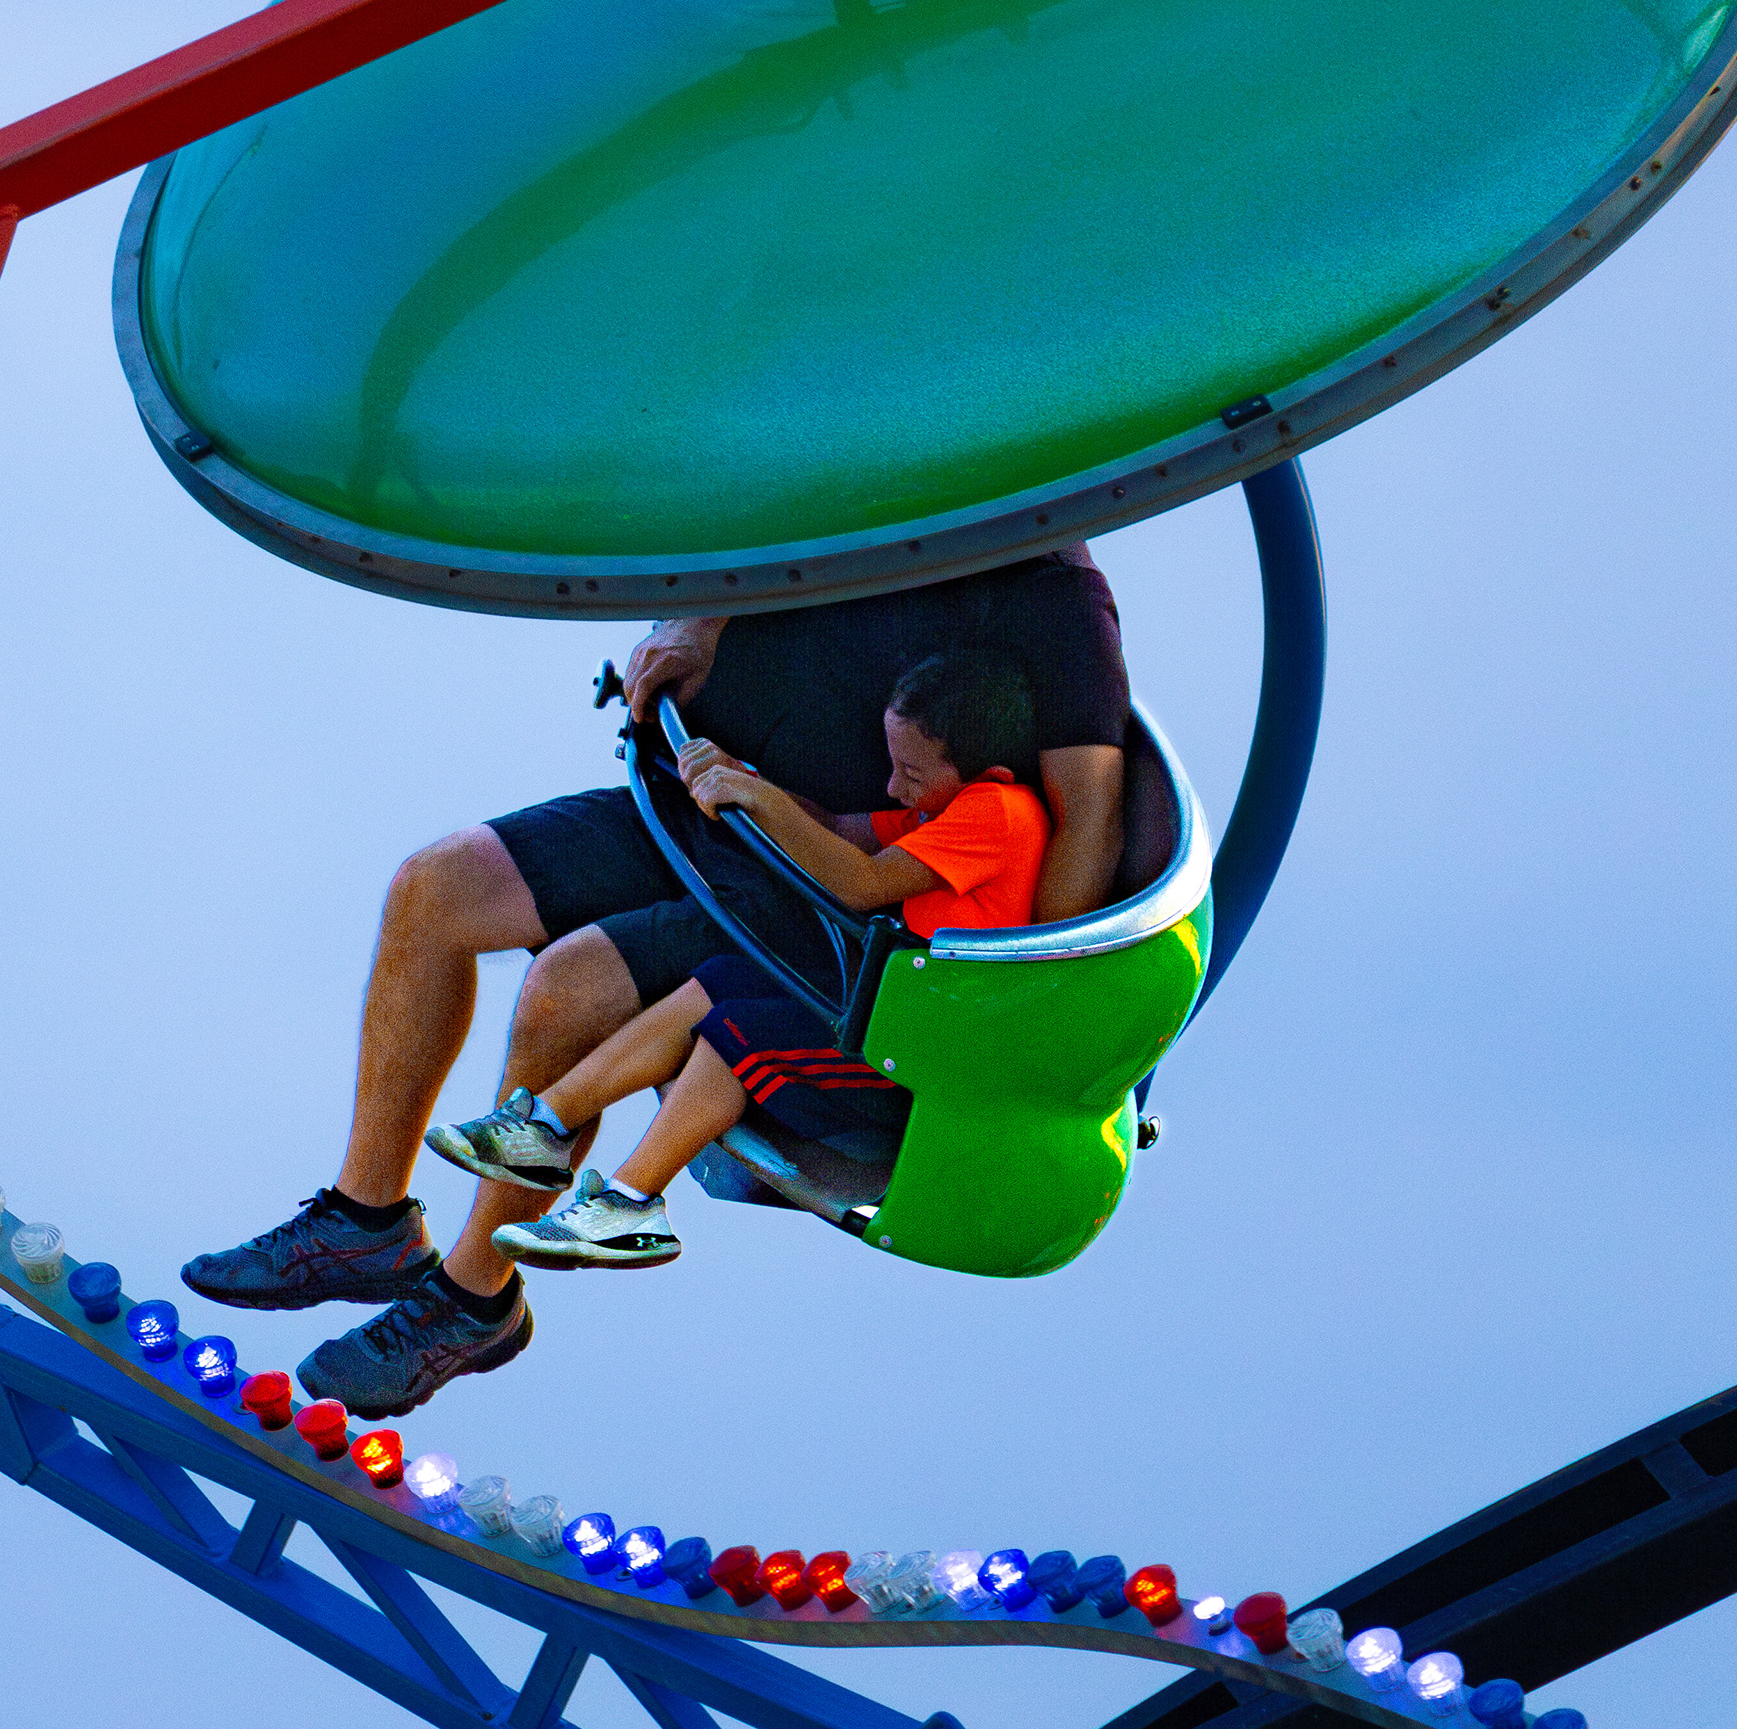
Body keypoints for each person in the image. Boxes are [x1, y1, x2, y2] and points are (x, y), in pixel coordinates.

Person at [179, 548, 1131, 1419]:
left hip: (805, 893)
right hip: (691, 803)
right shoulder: (846, 475)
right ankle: (366, 1220)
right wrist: (693, 627)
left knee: (567, 990)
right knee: (434, 891)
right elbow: (722, 541)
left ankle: (471, 1298)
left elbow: (1090, 814)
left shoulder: (1049, 594)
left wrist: (1020, 1005)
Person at [428, 649, 1050, 1270]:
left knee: (742, 1035)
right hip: (891, 1026)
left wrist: (758, 798)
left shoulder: (998, 813)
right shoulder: (943, 808)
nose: (894, 787)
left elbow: (859, 882)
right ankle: (545, 1124)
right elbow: (838, 828)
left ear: (987, 770)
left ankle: (631, 1200)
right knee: (722, 980)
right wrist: (746, 779)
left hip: (918, 1065)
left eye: (911, 775)